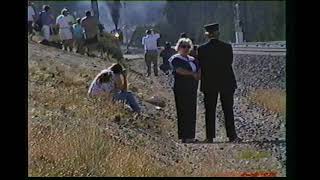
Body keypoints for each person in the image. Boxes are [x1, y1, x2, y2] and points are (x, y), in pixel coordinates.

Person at [197, 23, 241, 143]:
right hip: (226, 81)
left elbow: (200, 65)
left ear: (207, 35)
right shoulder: (227, 47)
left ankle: (209, 137)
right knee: (228, 109)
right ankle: (232, 136)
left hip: (209, 82)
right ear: (218, 33)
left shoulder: (201, 49)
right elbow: (229, 62)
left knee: (210, 110)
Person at [168, 38, 200, 143]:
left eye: (187, 46)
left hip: (192, 87)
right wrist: (192, 74)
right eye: (183, 46)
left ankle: (191, 135)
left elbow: (199, 68)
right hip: (181, 87)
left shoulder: (193, 59)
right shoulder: (175, 59)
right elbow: (179, 70)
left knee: (191, 110)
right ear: (178, 47)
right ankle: (183, 136)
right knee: (182, 110)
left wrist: (198, 75)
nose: (186, 49)